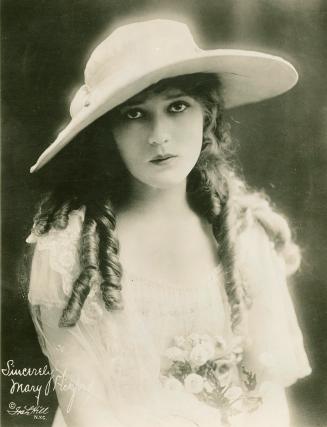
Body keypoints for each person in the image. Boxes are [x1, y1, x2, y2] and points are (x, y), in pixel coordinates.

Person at [26, 19, 311, 427]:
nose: (159, 135)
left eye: (177, 106)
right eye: (135, 114)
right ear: (108, 132)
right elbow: (85, 410)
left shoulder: (241, 234)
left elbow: (269, 395)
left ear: (207, 116)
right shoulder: (69, 251)